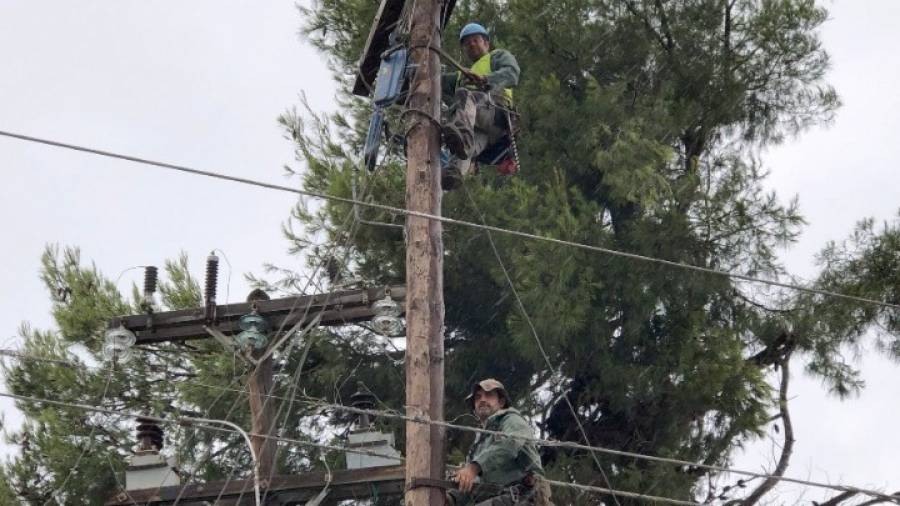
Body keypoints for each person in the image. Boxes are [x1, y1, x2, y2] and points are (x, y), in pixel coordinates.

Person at [447, 378, 552, 506]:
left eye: (489, 395)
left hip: (525, 497)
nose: (482, 400)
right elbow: (473, 485)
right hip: (498, 498)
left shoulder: (512, 420)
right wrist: (451, 498)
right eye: (478, 397)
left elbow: (507, 447)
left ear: (501, 402)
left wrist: (474, 468)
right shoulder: (480, 443)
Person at [441, 23, 520, 189]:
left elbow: (512, 73)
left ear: (486, 43)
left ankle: (462, 133)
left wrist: (486, 79)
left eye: (475, 40)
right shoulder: (460, 75)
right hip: (484, 131)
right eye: (467, 43)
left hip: (496, 113)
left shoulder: (496, 56)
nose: (471, 45)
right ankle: (454, 173)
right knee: (466, 149)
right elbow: (436, 80)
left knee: (464, 95)